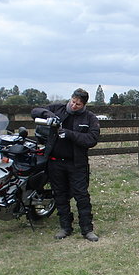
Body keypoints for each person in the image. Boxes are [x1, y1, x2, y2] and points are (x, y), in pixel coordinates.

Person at [32, 88, 101, 241]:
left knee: (81, 196)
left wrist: (70, 134)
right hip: (55, 162)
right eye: (73, 102)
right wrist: (49, 116)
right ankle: (65, 227)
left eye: (78, 104)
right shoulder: (57, 109)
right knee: (60, 195)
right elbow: (35, 111)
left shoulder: (89, 118)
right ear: (70, 99)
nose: (74, 106)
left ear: (84, 104)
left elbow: (92, 139)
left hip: (77, 163)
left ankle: (87, 229)